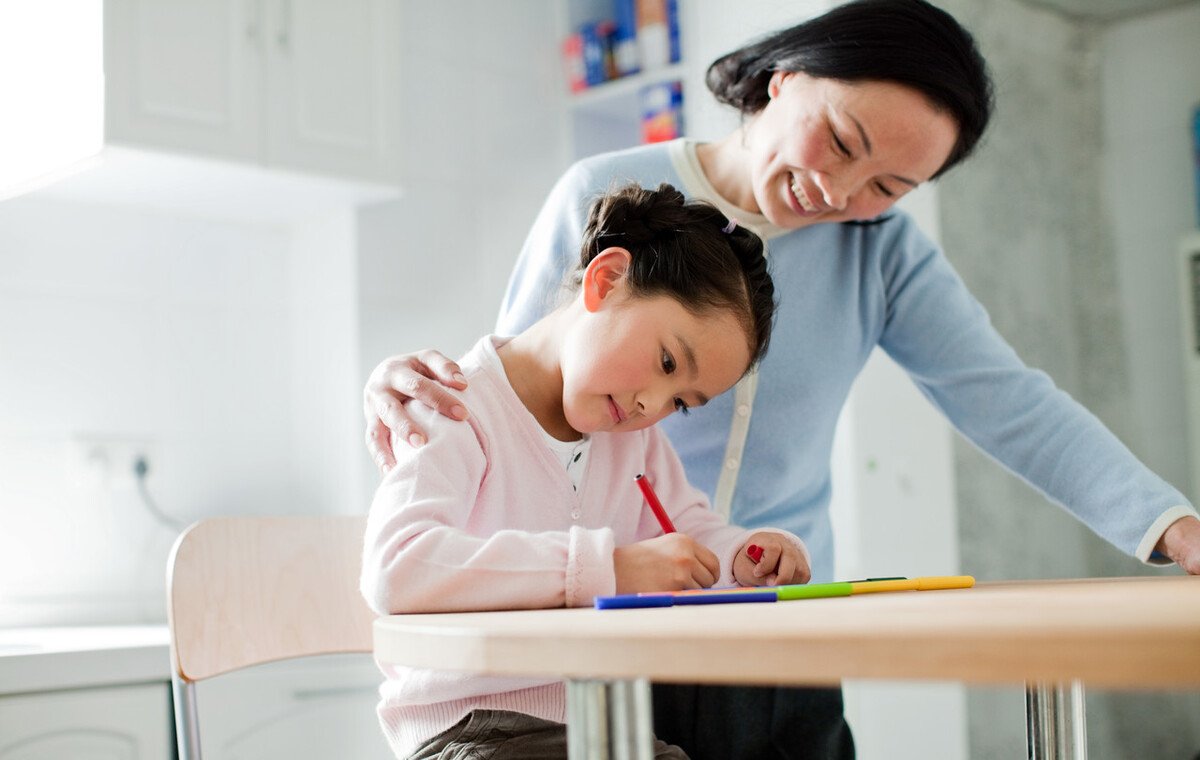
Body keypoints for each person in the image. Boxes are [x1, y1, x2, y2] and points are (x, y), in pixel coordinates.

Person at [362, 1, 1200, 758]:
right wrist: (407, 381)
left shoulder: (883, 255)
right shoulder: (607, 195)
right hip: (629, 634)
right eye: (840, 141)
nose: (837, 192)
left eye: (887, 187)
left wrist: (1171, 525)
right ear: (785, 79)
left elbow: (1011, 403)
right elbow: (531, 395)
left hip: (785, 627)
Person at [360, 182, 811, 760]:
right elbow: (397, 569)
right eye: (668, 362)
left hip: (596, 721)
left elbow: (691, 533)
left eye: (681, 401)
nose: (654, 405)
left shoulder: (634, 441)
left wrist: (753, 554)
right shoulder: (453, 408)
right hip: (472, 731)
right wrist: (609, 568)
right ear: (607, 280)